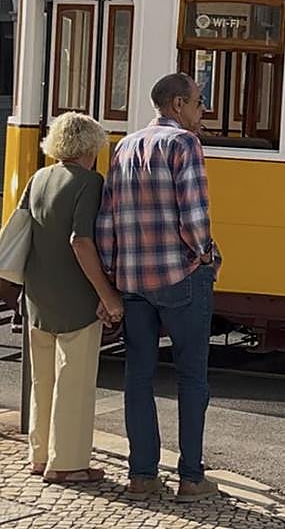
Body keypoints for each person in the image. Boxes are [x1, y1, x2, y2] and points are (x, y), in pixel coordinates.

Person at [96, 73, 221, 501]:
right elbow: (194, 213)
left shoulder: (123, 146)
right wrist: (203, 252)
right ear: (177, 104)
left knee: (138, 377)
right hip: (179, 278)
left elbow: (107, 219)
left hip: (132, 282)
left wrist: (113, 275)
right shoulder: (184, 144)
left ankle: (142, 475)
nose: (202, 112)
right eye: (199, 103)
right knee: (191, 377)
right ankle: (191, 477)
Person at [21, 113, 123, 484]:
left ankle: (39, 454)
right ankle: (67, 463)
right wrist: (107, 295)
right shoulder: (90, 183)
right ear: (90, 147)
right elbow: (81, 241)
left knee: (42, 380)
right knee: (73, 383)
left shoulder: (38, 178)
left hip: (37, 296)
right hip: (77, 299)